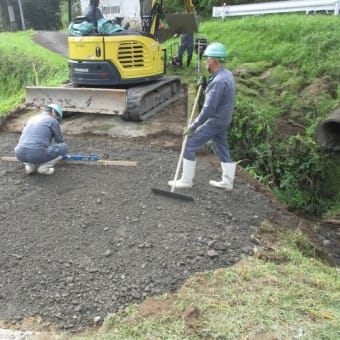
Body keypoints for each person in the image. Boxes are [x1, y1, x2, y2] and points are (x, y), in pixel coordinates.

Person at [168, 42, 237, 190]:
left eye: (207, 59)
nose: (206, 61)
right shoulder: (226, 75)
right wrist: (206, 86)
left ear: (214, 60)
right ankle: (228, 181)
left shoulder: (218, 81)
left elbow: (208, 109)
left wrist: (193, 127)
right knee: (221, 147)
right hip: (224, 119)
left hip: (215, 120)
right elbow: (219, 98)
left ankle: (186, 181)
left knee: (190, 144)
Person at [14, 104, 68, 175]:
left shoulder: (32, 119)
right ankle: (44, 168)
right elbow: (60, 141)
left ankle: (30, 167)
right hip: (36, 154)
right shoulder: (52, 121)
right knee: (64, 147)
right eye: (57, 117)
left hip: (19, 153)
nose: (57, 119)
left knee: (28, 147)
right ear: (54, 113)